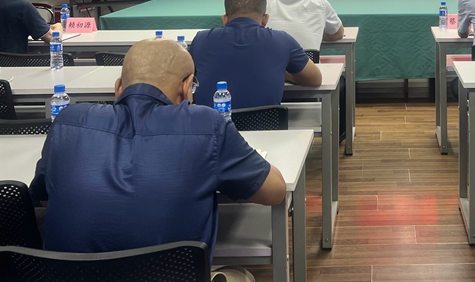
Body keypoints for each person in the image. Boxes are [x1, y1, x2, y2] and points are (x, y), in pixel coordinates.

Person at [29, 39, 287, 254]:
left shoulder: (68, 121)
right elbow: (274, 191)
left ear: (118, 87)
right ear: (187, 87)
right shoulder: (207, 125)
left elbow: (45, 198)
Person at [190, 0, 321, 109]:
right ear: (265, 19)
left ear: (225, 19)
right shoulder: (282, 40)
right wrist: (283, 73)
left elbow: (186, 80)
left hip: (210, 124)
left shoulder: (201, 40)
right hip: (267, 123)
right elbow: (315, 79)